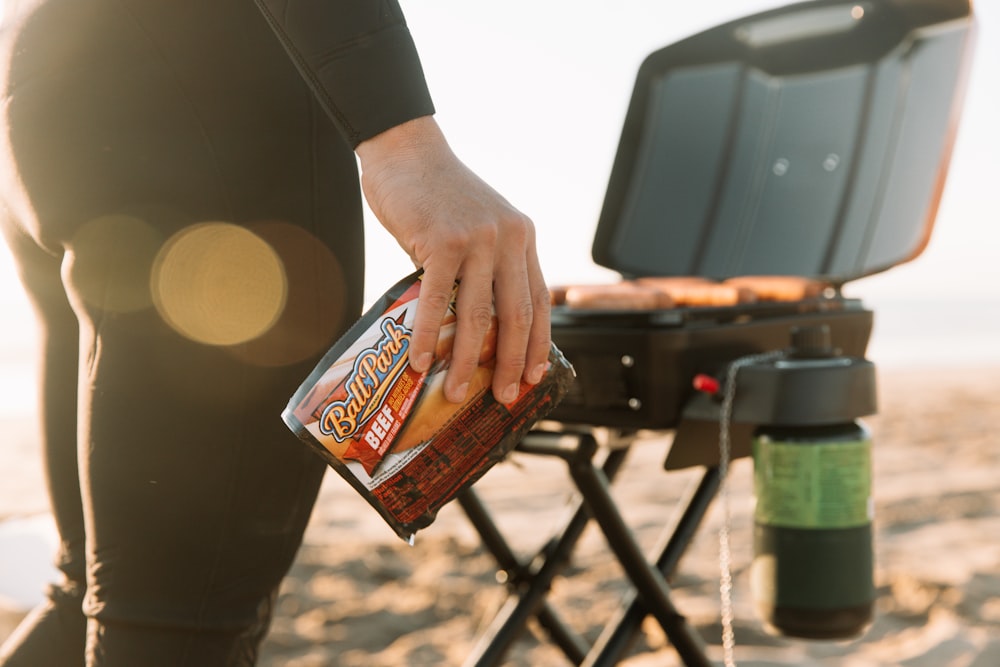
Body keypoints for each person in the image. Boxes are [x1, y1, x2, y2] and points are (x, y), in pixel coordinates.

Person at [0, 0, 550, 664]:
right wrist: (405, 142)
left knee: (95, 587)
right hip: (208, 83)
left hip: (45, 70)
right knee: (180, 622)